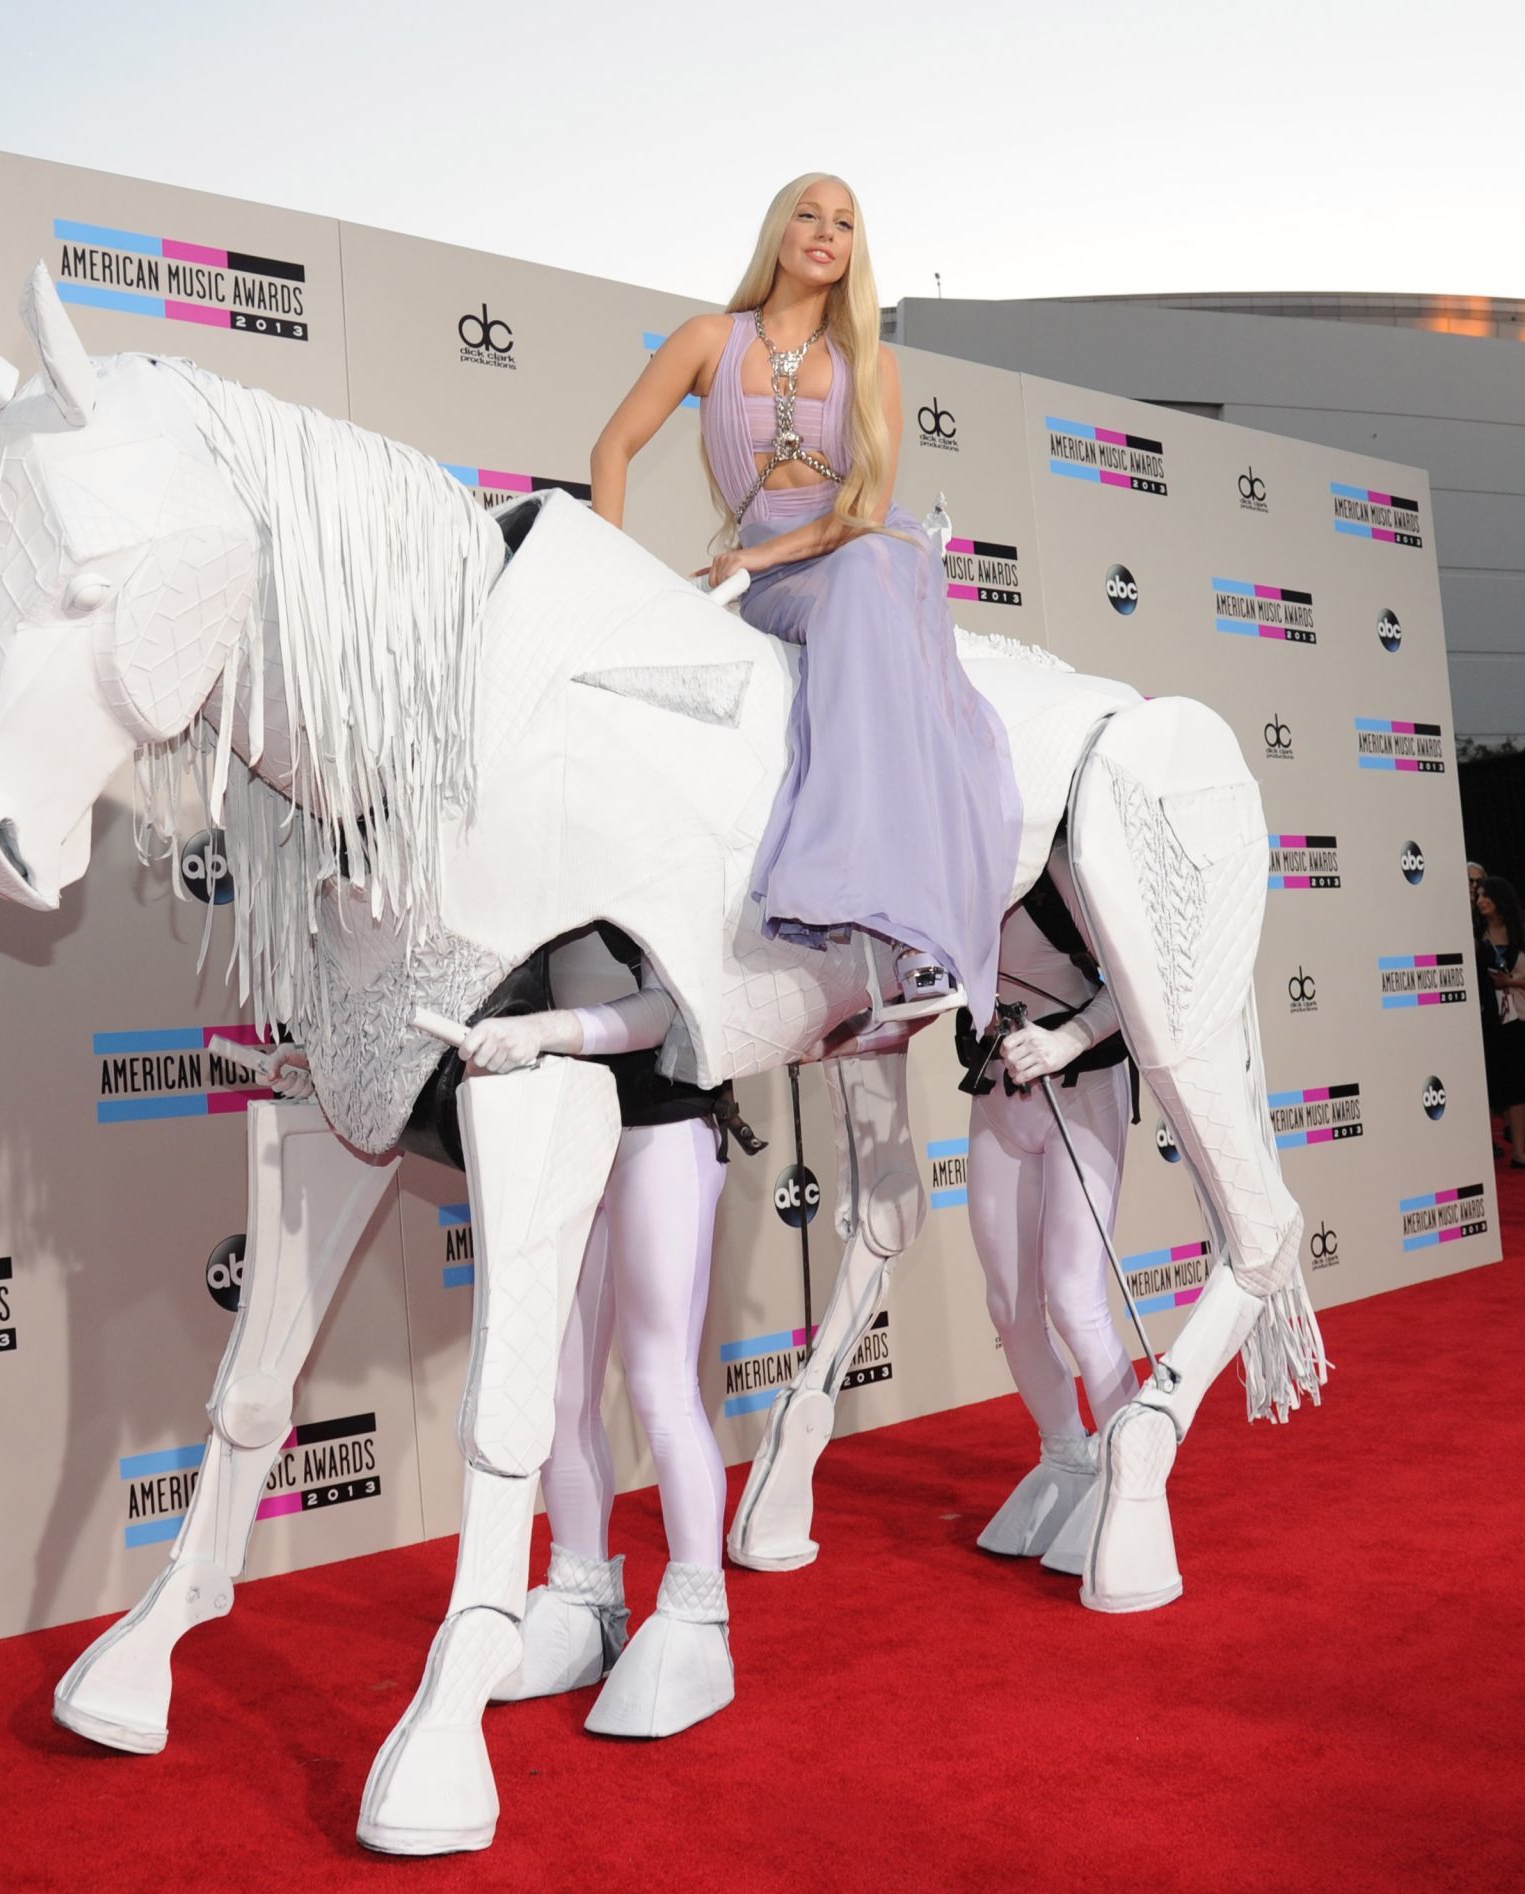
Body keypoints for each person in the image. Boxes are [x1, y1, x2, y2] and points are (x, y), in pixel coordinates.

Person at [590, 172, 1022, 1028]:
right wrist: (609, 575)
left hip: (862, 552)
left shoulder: (873, 364)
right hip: (765, 579)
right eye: (809, 214)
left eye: (845, 223)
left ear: (854, 251)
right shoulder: (708, 339)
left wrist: (752, 556)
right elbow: (612, 447)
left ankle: (910, 934)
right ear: (778, 232)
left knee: (865, 578)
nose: (826, 232)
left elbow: (861, 513)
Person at [461, 937, 754, 1739]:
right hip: (565, 1124)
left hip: (663, 1119)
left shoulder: (645, 835)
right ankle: (582, 1594)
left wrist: (549, 1031)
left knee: (659, 1381)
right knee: (561, 1388)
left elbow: (672, 1001)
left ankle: (696, 1609)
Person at [958, 865, 1138, 1572]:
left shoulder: (1060, 862)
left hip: (1081, 1086)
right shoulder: (954, 865)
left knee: (1074, 1297)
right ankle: (1066, 1453)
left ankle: (1132, 1472)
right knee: (1007, 1303)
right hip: (998, 1095)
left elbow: (1134, 972)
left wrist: (1070, 1039)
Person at [1474, 875, 1525, 1168]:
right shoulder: (1473, 937)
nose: (1480, 900)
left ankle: (1519, 1152)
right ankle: (1493, 1139)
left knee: (1516, 1083)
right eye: (1478, 895)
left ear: (1501, 898)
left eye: (1486, 895)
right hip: (1485, 1019)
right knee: (1488, 1082)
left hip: (1519, 1018)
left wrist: (1513, 982)